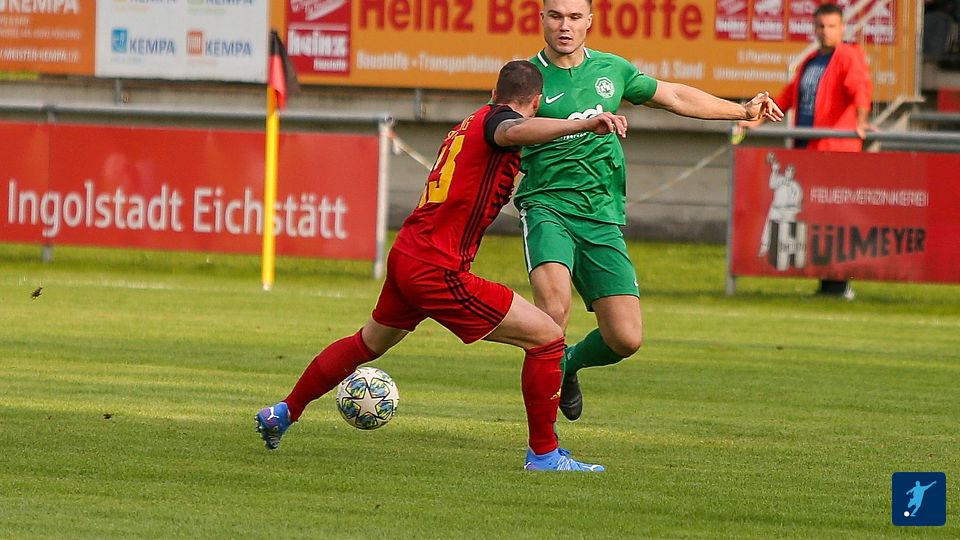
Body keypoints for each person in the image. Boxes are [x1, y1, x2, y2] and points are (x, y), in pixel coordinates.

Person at [254, 60, 630, 472]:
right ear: (536, 102)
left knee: (368, 342)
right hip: (437, 268)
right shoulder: (499, 124)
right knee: (547, 338)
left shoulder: (468, 124)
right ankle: (544, 455)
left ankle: (283, 412)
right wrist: (583, 123)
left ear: (494, 92)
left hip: (409, 254)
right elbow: (512, 130)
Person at [515, 0, 784, 422]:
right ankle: (544, 445)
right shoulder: (525, 78)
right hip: (546, 205)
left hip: (602, 214)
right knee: (553, 314)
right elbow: (505, 130)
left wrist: (742, 110)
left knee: (625, 337)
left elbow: (673, 95)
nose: (564, 26)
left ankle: (566, 364)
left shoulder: (612, 70)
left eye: (574, 17)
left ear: (589, 22)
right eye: (556, 16)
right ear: (541, 19)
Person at [739, 2, 873, 299]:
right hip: (808, 152)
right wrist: (754, 121)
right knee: (816, 218)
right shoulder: (810, 62)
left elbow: (860, 89)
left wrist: (862, 121)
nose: (826, 32)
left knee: (834, 218)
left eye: (832, 26)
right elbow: (787, 98)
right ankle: (827, 283)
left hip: (835, 153)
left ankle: (839, 284)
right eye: (821, 26)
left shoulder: (848, 56)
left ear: (842, 28)